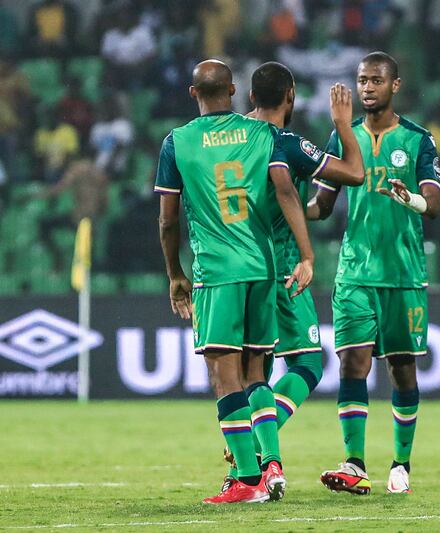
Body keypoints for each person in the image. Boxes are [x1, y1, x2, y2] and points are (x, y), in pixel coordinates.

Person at [155, 59, 314, 504]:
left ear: (193, 93)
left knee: (224, 376)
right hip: (263, 267)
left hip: (217, 271)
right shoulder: (263, 135)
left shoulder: (177, 142)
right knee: (256, 374)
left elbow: (168, 221)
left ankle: (246, 479)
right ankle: (272, 465)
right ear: (234, 89)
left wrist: (175, 275)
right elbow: (286, 190)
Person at [218, 61, 364, 491]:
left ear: (249, 97)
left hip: (234, 268)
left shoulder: (230, 141)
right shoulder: (286, 142)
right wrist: (342, 125)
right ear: (291, 96)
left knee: (251, 371)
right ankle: (265, 449)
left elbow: (305, 205)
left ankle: (246, 466)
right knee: (307, 364)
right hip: (283, 269)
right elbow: (354, 172)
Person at [308, 51, 440, 494]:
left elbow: (435, 205)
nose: (367, 87)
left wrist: (412, 201)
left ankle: (401, 464)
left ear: (395, 85)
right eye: (362, 80)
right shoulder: (341, 138)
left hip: (403, 274)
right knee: (352, 363)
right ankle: (354, 462)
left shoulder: (419, 140)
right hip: (355, 272)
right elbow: (322, 208)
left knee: (403, 370)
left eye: (376, 80)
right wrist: (283, 206)